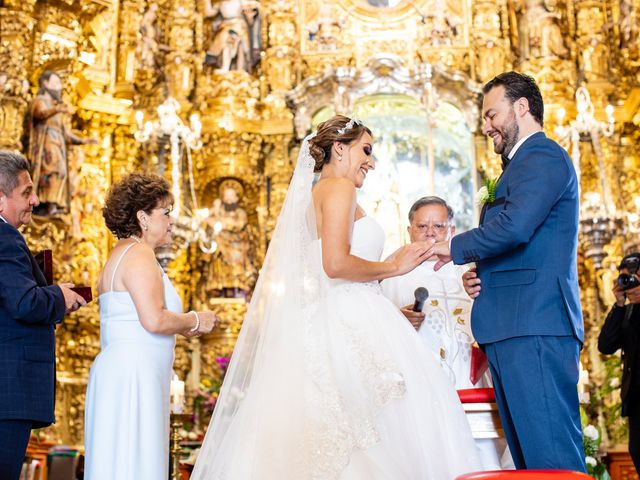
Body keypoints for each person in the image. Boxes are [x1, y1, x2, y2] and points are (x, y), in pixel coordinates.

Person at [191, 116, 482, 479]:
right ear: (340, 149)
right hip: (350, 317)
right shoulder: (340, 189)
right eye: (366, 150)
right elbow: (335, 263)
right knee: (377, 429)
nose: (372, 162)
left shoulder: (319, 191)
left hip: (342, 313)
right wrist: (391, 266)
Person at [431, 71, 586, 471]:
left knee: (552, 460)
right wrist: (482, 273)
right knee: (531, 464)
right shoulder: (518, 167)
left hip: (534, 325)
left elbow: (516, 226)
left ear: (521, 107)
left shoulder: (543, 156)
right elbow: (521, 242)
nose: (486, 127)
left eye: (491, 114)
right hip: (513, 326)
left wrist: (453, 248)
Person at [84, 173, 217, 480]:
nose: (172, 220)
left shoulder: (121, 254)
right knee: (135, 463)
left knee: (119, 463)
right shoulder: (139, 254)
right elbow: (154, 319)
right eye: (166, 212)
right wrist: (195, 320)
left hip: (122, 371)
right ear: (142, 217)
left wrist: (181, 325)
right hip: (135, 375)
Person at [381, 195, 510, 470]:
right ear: (409, 231)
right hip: (420, 387)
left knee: (482, 459)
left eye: (438, 226)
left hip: (471, 382)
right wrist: (398, 320)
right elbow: (375, 328)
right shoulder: (392, 272)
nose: (430, 232)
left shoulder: (469, 270)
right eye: (422, 226)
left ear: (451, 230)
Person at [0, 151, 87, 480]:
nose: (36, 200)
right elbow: (23, 302)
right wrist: (58, 295)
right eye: (26, 192)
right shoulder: (5, 237)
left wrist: (54, 295)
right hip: (9, 390)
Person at [29, 71, 97, 215]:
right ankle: (43, 202)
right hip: (45, 144)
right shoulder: (40, 100)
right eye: (56, 83)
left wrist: (84, 140)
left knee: (61, 172)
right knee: (51, 170)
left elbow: (66, 134)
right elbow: (39, 113)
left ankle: (52, 203)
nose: (59, 88)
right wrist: (57, 109)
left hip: (58, 144)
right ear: (45, 84)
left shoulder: (56, 109)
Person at [598, 253, 640, 474]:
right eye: (627, 278)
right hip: (635, 400)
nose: (631, 283)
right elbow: (605, 345)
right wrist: (620, 304)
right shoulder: (628, 309)